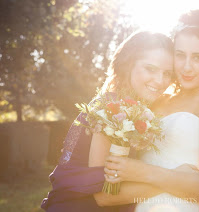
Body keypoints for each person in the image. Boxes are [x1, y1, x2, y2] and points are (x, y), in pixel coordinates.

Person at [103, 9, 199, 211]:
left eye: (198, 57)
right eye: (180, 55)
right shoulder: (157, 100)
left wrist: (143, 172)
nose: (187, 67)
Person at [41, 31, 178, 211]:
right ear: (128, 66)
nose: (160, 81)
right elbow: (104, 196)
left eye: (167, 73)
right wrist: (175, 182)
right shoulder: (113, 109)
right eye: (150, 69)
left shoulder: (128, 106)